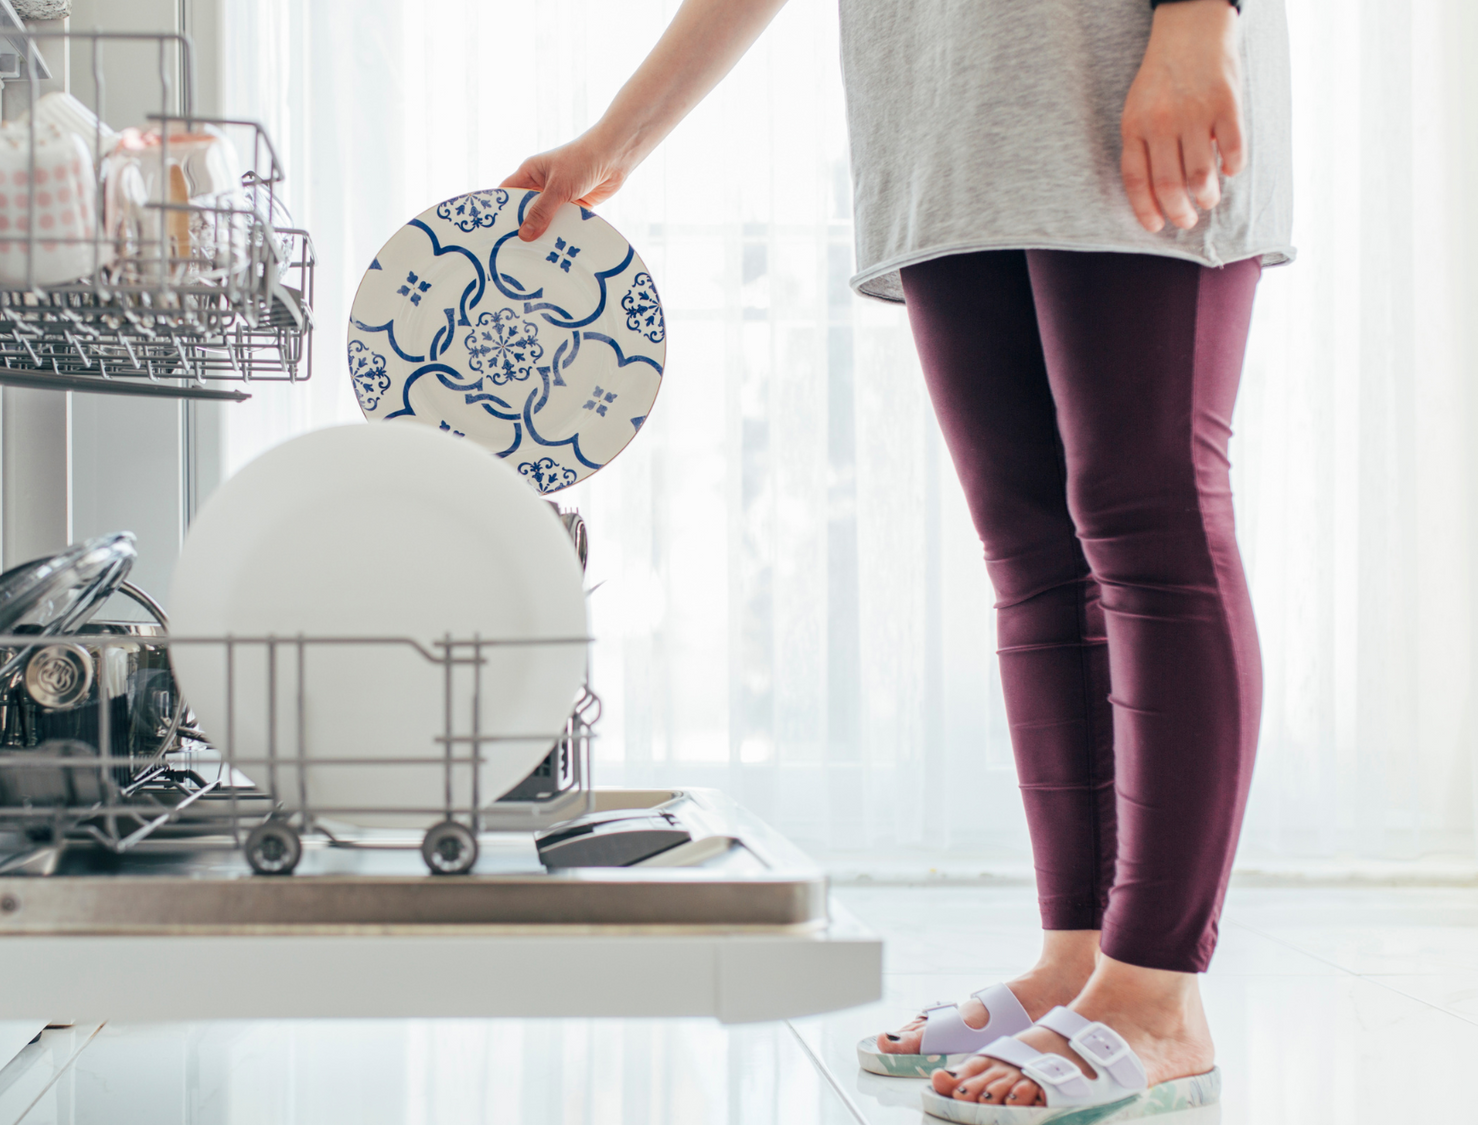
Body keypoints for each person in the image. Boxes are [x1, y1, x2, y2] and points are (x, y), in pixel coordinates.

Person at [503, 0, 1290, 1117]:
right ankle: (1078, 959)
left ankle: (1154, 997)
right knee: (1032, 560)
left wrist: (1200, 17)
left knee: (1146, 521)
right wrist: (613, 144)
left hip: (1122, 63)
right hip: (941, 119)